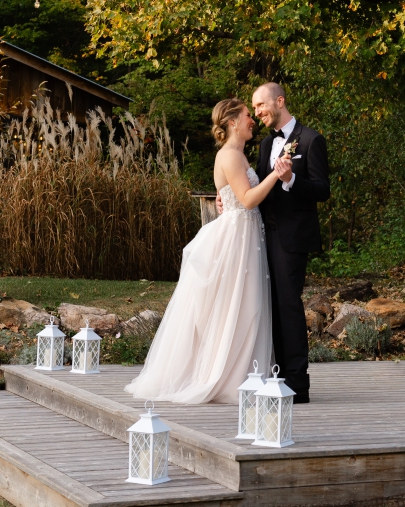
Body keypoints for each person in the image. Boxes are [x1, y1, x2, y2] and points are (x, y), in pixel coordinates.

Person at [126, 98, 289, 404]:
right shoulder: (230, 156)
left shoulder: (237, 155)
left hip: (247, 234)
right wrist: (276, 175)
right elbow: (248, 199)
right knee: (236, 303)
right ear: (232, 122)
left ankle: (241, 372)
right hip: (237, 238)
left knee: (243, 304)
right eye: (246, 115)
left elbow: (235, 195)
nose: (252, 120)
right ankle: (227, 377)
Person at [251, 82, 330, 403]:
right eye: (254, 108)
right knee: (269, 305)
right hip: (261, 236)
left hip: (292, 237)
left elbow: (322, 190)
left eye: (260, 105)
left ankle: (297, 385)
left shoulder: (311, 140)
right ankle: (276, 377)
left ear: (279, 101)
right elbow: (255, 187)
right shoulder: (263, 145)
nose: (257, 112)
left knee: (288, 305)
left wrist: (291, 179)